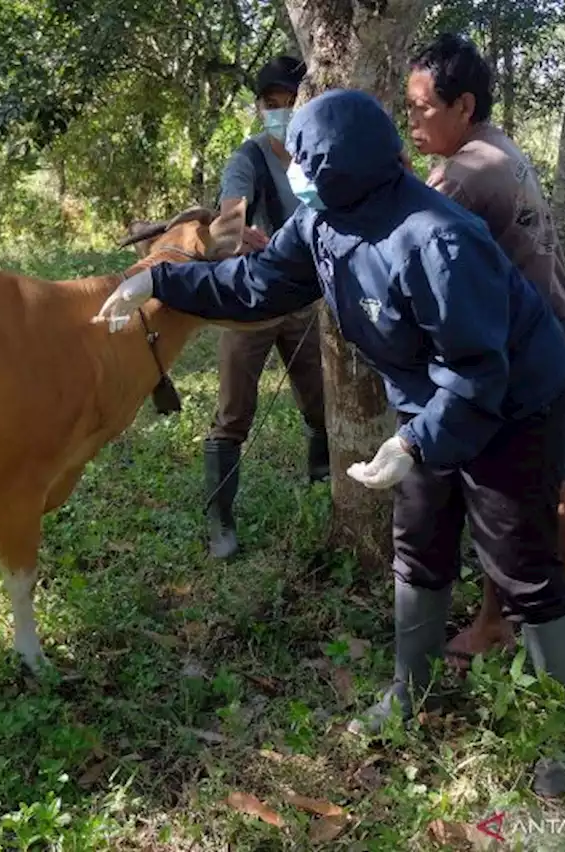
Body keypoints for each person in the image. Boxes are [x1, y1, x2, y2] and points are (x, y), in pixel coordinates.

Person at [93, 88, 565, 797]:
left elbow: (478, 369)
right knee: (419, 541)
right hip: (430, 400)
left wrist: (417, 445)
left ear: (335, 166)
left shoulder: (436, 238)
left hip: (513, 406)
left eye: (302, 158)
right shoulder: (323, 219)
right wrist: (159, 279)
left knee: (520, 563)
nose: (292, 169)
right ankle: (408, 692)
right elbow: (259, 282)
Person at [405, 33, 565, 668]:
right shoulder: (499, 147)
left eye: (422, 108)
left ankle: (564, 629)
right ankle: (509, 621)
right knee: (529, 485)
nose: (411, 120)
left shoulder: (460, 175)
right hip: (554, 338)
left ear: (463, 105)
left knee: (536, 490)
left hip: (531, 356)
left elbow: (410, 249)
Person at [202, 55, 330, 561]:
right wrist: (231, 234)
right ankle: (220, 522)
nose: (280, 112)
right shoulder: (249, 158)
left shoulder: (318, 157)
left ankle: (322, 488)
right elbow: (228, 218)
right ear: (260, 107)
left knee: (322, 407)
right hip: (251, 302)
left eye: (289, 102)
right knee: (233, 414)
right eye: (270, 103)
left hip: (306, 302)